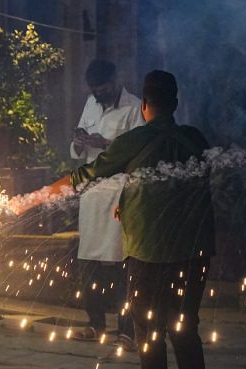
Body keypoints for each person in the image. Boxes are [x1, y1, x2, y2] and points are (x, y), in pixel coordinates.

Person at [70, 70, 215, 369]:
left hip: (148, 250)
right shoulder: (195, 139)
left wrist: (34, 199)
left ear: (145, 105)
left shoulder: (135, 140)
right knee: (185, 327)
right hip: (194, 250)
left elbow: (87, 174)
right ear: (175, 104)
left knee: (149, 332)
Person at [69, 59, 143, 349]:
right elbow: (77, 151)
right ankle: (95, 323)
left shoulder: (134, 107)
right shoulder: (90, 103)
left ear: (115, 81)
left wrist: (108, 145)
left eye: (102, 88)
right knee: (87, 261)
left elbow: (140, 151)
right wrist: (80, 140)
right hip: (92, 192)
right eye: (94, 89)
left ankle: (127, 330)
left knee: (120, 263)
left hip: (118, 193)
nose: (98, 93)